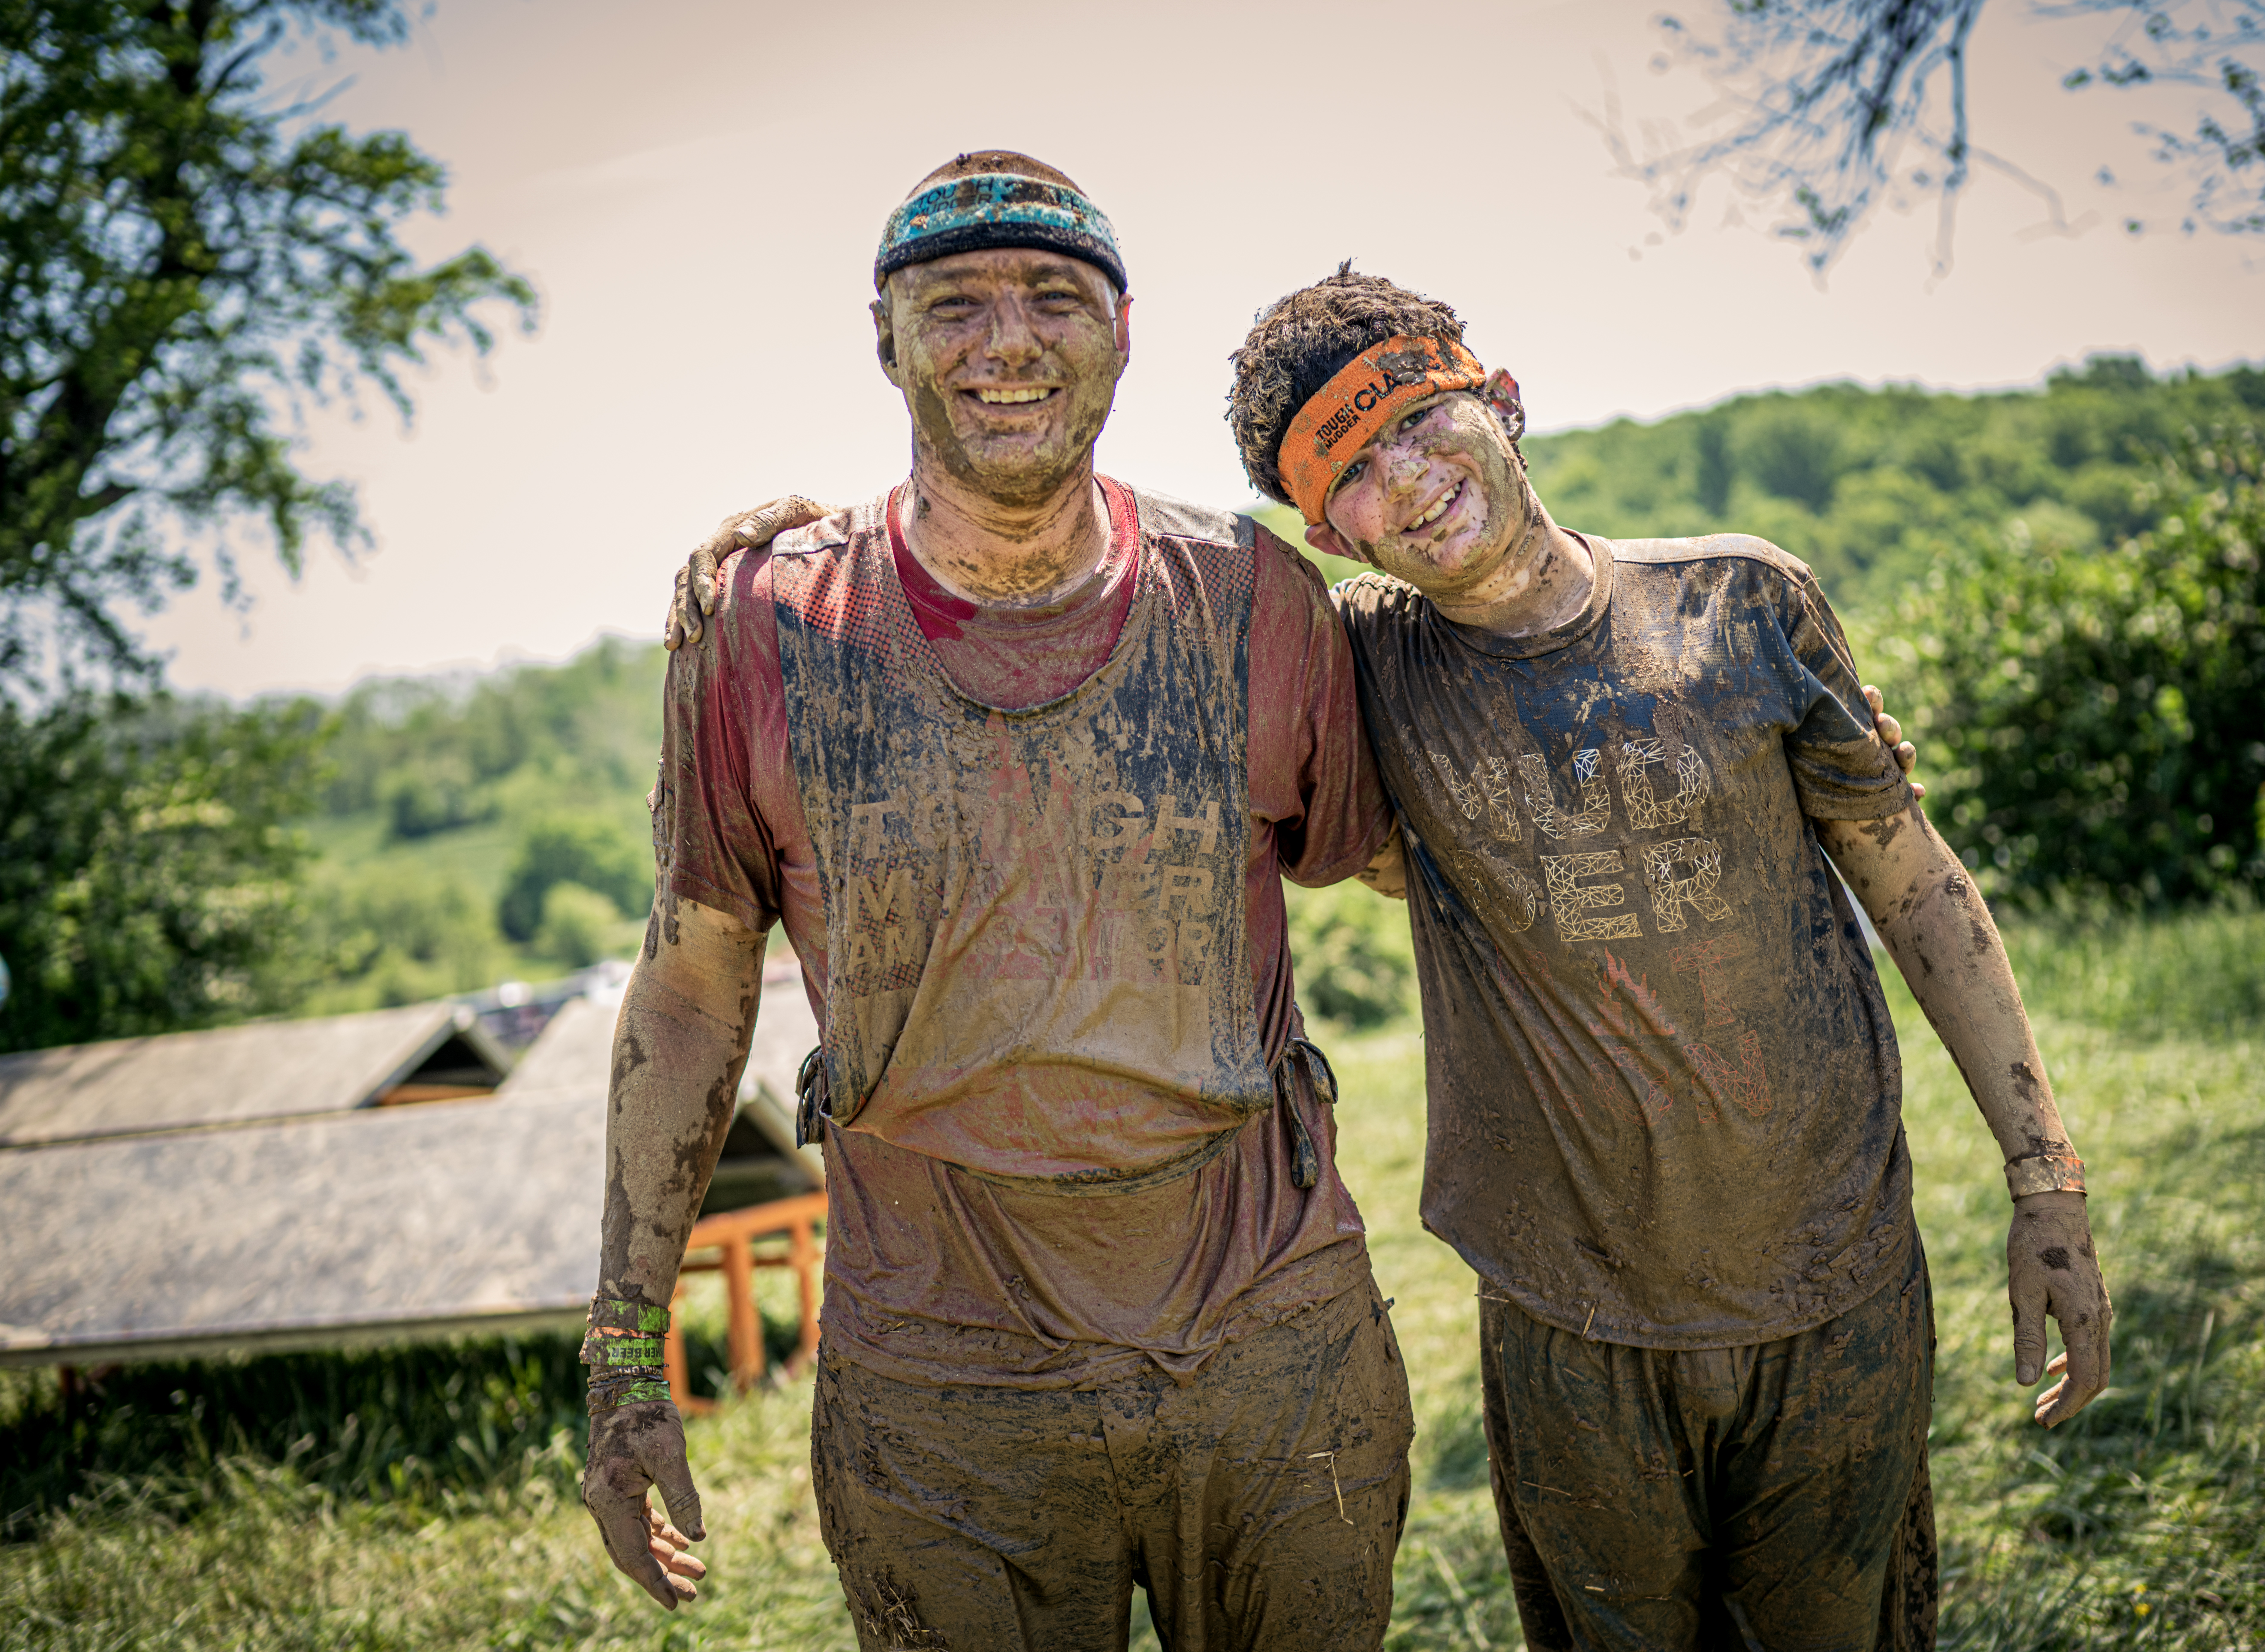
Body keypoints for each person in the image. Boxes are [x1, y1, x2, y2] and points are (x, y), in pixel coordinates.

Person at [579, 155, 1415, 1652]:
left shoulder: (1250, 598)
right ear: (886, 340)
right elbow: (696, 984)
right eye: (952, 305)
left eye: (1054, 298)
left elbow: (1433, 851)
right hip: (946, 1389)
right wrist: (624, 1357)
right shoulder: (769, 627)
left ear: (1124, 329)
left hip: (1275, 1340)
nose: (1007, 340)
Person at [1211, 268, 2115, 1650]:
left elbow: (1917, 881)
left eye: (1412, 416)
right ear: (1333, 532)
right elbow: (1119, 605)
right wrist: (781, 554)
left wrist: (2045, 1181)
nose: (1404, 476)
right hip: (1569, 1320)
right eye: (1348, 470)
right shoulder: (1361, 674)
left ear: (1498, 397)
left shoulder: (1745, 602)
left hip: (1839, 1279)